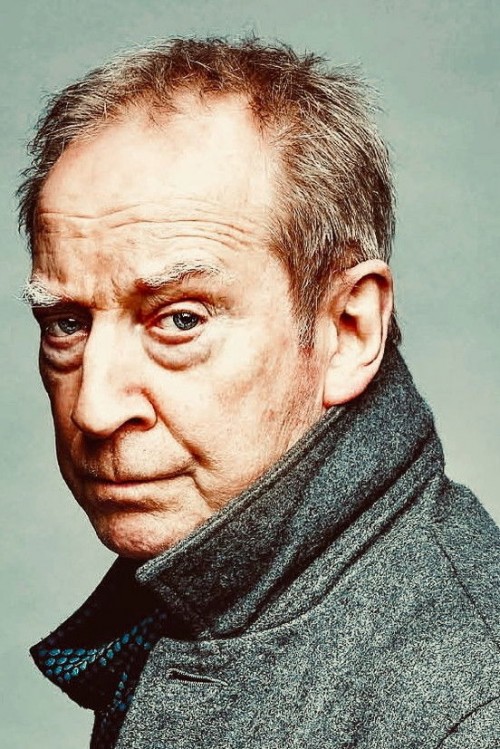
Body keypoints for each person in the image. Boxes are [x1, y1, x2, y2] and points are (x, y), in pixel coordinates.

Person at [19, 37, 499, 749]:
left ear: (349, 329)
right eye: (66, 322)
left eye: (181, 320)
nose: (94, 407)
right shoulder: (188, 599)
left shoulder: (469, 707)